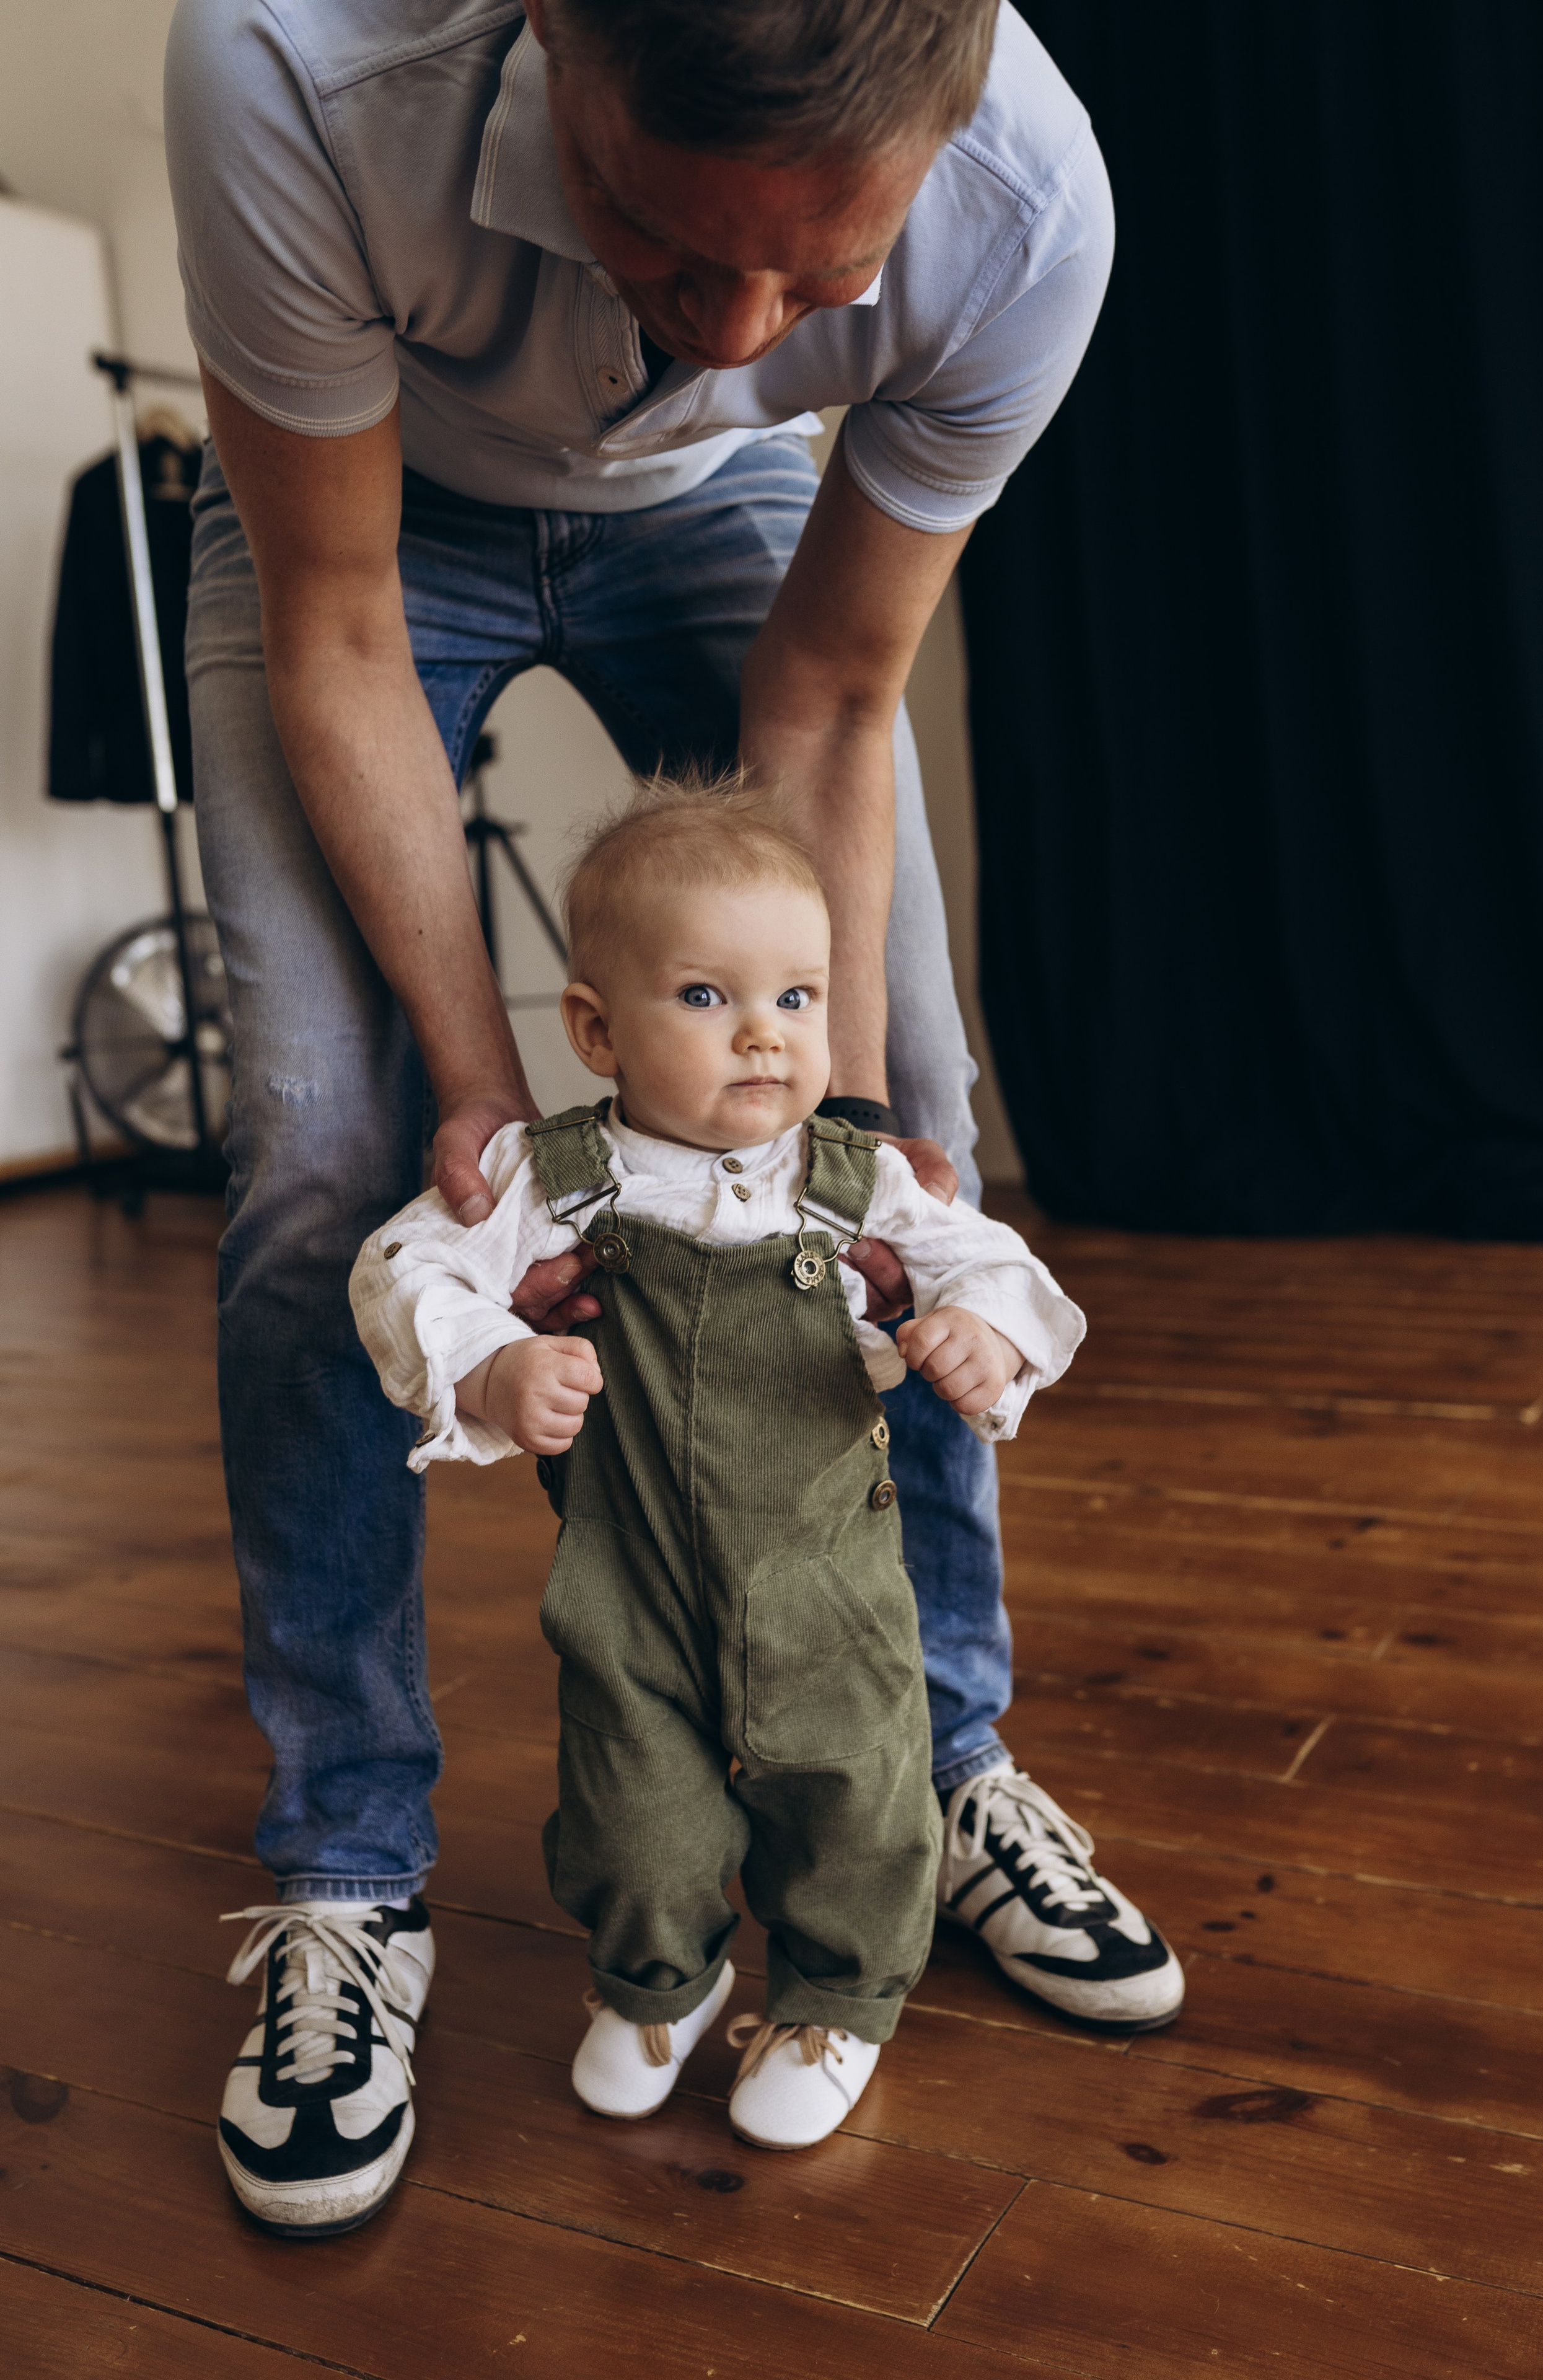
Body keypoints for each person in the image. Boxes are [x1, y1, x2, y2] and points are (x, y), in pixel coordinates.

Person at [165, 0, 1184, 2235]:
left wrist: (874, 1116)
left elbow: (829, 685)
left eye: (811, 286)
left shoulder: (1025, 209)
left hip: (729, 529)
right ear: (554, 46)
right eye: (653, 229)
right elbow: (333, 623)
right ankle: (348, 1871)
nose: (723, 327)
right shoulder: (291, 66)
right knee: (340, 1153)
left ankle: (940, 1754)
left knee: (899, 1126)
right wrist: (479, 1099)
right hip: (351, 529)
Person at [336, 778, 1084, 2178]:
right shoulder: (552, 1180)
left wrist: (983, 1334)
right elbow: (401, 1269)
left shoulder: (856, 1180)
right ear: (593, 1029)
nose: (763, 1034)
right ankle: (659, 1980)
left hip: (823, 1575)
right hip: (625, 1575)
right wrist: (491, 1364)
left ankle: (835, 1999)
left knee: (854, 1782)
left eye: (798, 998)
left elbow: (994, 1263)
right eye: (705, 995)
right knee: (631, 1800)